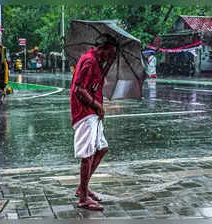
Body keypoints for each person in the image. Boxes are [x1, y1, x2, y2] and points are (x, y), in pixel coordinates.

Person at [70, 33, 116, 211]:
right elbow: (78, 89)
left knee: (101, 148)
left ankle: (83, 187)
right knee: (87, 154)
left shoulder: (97, 62)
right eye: (109, 53)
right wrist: (97, 105)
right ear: (102, 48)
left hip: (93, 113)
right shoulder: (89, 61)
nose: (110, 56)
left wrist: (109, 63)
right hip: (85, 112)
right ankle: (83, 198)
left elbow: (95, 84)